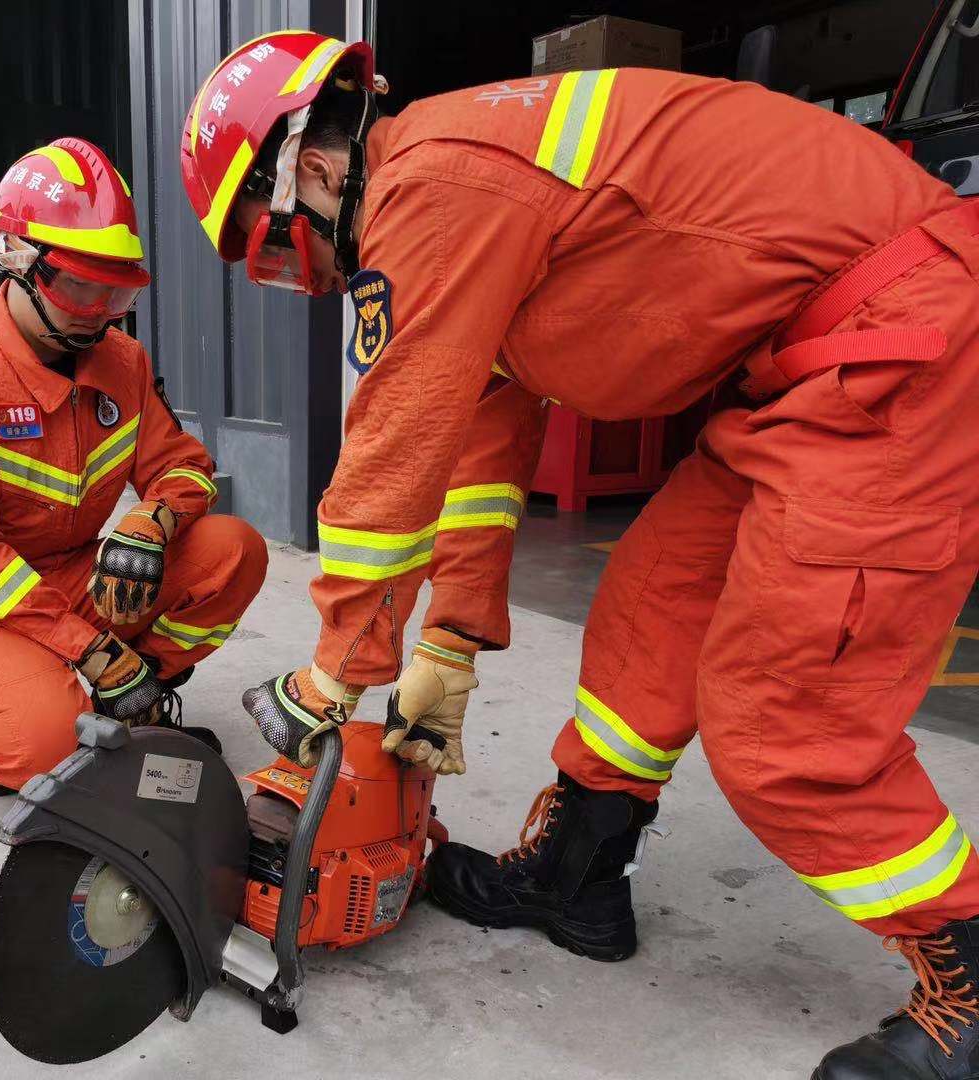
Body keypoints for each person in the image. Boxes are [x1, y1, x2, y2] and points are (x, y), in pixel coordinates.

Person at [181, 31, 979, 1078]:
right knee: (650, 613)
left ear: (315, 171)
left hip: (911, 341)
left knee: (787, 718)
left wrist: (338, 672)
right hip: (806, 374)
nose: (311, 280)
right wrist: (451, 644)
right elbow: (473, 440)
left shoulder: (432, 190)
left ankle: (963, 968)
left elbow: (390, 459)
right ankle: (580, 875)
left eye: (282, 250)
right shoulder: (461, 197)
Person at [0, 137, 267, 797]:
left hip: (73, 570)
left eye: (114, 294)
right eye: (80, 288)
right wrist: (89, 649)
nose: (99, 314)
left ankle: (134, 695)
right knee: (43, 751)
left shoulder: (124, 362)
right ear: (16, 260)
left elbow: (185, 468)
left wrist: (153, 521)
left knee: (234, 550)